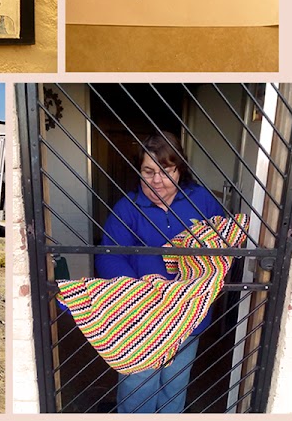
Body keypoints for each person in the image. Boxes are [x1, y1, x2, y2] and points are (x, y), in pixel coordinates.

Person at [97, 131, 225, 414]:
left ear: (179, 169)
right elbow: (109, 257)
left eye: (166, 171)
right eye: (148, 171)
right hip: (142, 315)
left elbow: (222, 247)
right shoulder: (127, 207)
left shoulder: (201, 201)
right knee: (138, 385)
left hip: (188, 313)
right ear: (139, 171)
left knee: (175, 384)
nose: (157, 181)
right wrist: (141, 286)